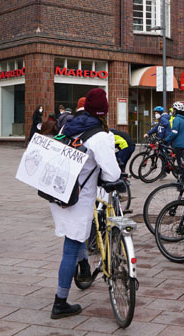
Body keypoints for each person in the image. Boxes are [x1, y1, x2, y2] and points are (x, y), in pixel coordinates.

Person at [49, 88, 121, 319]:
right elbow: (111, 173)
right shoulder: (99, 136)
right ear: (106, 110)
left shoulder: (68, 126)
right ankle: (60, 302)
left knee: (78, 235)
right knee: (71, 244)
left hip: (59, 192)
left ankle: (84, 267)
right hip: (78, 198)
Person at [165, 102, 184, 170]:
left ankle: (182, 178)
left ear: (176, 110)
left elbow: (174, 132)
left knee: (180, 163)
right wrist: (183, 136)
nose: (173, 111)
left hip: (177, 144)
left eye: (174, 109)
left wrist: (166, 139)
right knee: (180, 160)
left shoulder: (176, 119)